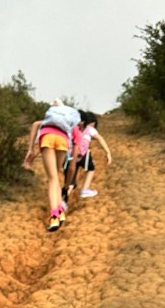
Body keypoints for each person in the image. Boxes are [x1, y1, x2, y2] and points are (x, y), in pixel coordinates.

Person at [23, 98, 81, 232]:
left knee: (52, 179)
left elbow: (35, 124)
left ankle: (54, 215)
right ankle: (60, 211)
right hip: (62, 140)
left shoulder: (48, 120)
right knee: (57, 176)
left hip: (47, 137)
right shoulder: (68, 122)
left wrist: (31, 149)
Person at [63, 109, 112, 201]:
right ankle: (85, 189)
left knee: (70, 184)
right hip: (81, 155)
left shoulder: (69, 129)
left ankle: (61, 204)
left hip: (69, 156)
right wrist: (108, 152)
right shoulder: (90, 130)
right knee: (91, 168)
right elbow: (100, 138)